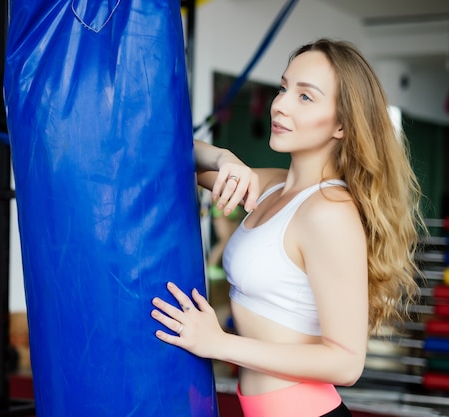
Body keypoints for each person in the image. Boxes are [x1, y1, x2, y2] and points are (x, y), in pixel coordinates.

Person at [151, 38, 425, 417]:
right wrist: (223, 157)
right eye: (283, 88)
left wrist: (219, 343)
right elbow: (172, 159)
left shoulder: (330, 212)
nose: (280, 104)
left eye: (305, 97)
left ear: (343, 124)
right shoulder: (274, 186)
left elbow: (347, 363)